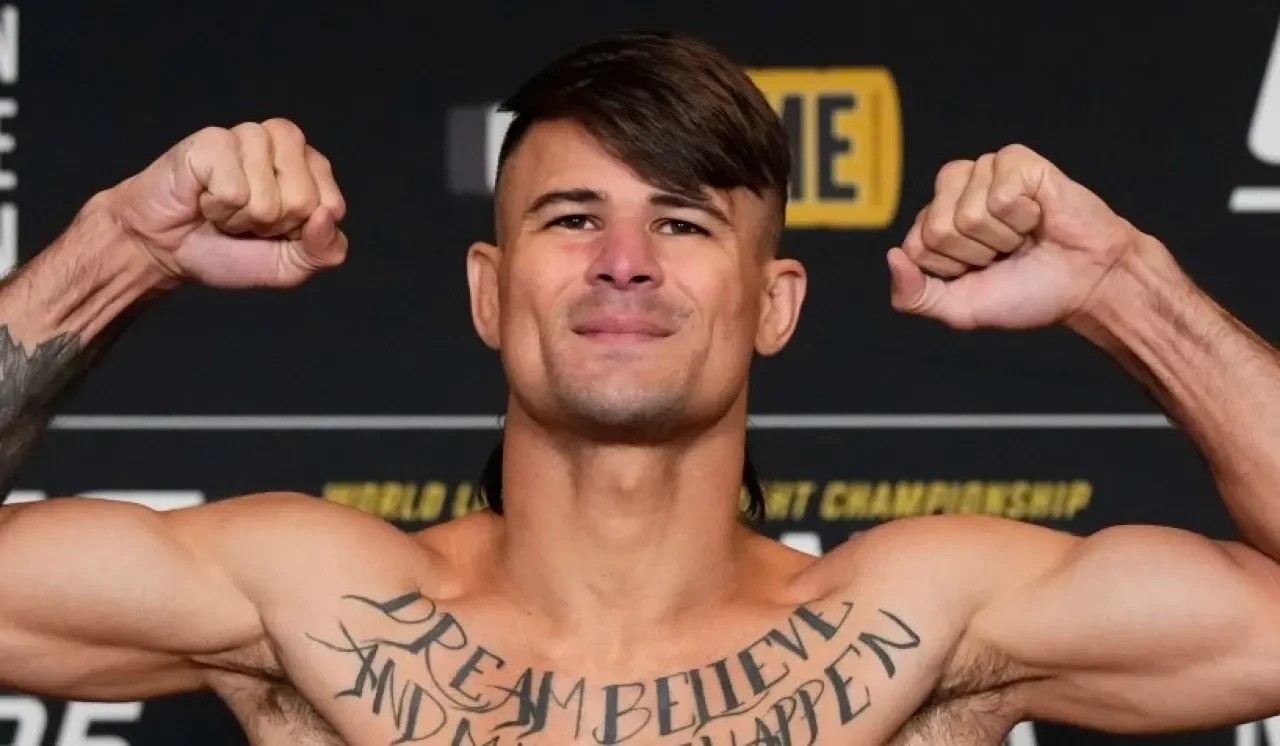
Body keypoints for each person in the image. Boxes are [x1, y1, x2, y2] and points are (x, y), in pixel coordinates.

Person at [0, 30, 1278, 746]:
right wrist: (122, 250)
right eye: (571, 218)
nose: (623, 261)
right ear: (487, 290)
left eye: (681, 223)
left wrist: (1120, 284)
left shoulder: (921, 623)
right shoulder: (308, 601)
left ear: (773, 302)